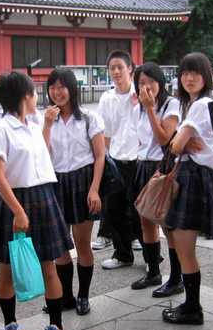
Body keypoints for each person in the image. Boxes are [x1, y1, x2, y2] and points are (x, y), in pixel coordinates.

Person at [0, 72, 74, 330]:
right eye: (35, 93)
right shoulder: (1, 129)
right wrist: (18, 211)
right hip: (14, 200)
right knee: (8, 269)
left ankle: (57, 327)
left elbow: (43, 156)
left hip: (43, 196)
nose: (39, 97)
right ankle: (10, 324)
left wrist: (46, 125)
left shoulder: (34, 124)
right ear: (25, 96)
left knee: (49, 265)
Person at [162, 52, 213, 325]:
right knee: (185, 246)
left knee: (185, 248)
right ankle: (190, 304)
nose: (189, 78)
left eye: (195, 73)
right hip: (202, 178)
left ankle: (192, 308)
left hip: (192, 179)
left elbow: (174, 146)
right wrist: (184, 141)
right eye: (185, 73)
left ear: (206, 76)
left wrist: (180, 142)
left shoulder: (200, 106)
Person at [42, 68, 106, 315]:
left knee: (82, 244)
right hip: (55, 182)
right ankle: (65, 297)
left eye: (62, 86)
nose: (57, 92)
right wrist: (47, 124)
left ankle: (83, 296)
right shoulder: (45, 118)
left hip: (83, 181)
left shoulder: (89, 118)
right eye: (53, 87)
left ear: (72, 89)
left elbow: (100, 156)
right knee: (59, 247)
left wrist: (94, 189)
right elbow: (42, 154)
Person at [127, 62, 182, 295]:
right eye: (141, 83)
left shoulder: (171, 105)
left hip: (164, 168)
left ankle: (177, 278)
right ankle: (153, 271)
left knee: (168, 224)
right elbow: (140, 140)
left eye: (151, 81)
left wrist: (150, 109)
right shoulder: (137, 108)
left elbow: (164, 139)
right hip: (143, 165)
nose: (147, 86)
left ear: (160, 82)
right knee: (145, 220)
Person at [98, 50, 142, 270]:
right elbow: (105, 133)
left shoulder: (141, 95)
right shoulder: (107, 98)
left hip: (138, 161)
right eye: (112, 68)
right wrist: (106, 160)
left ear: (130, 69)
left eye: (120, 67)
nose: (116, 71)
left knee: (139, 210)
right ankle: (123, 254)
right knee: (114, 210)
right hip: (115, 160)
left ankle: (152, 258)